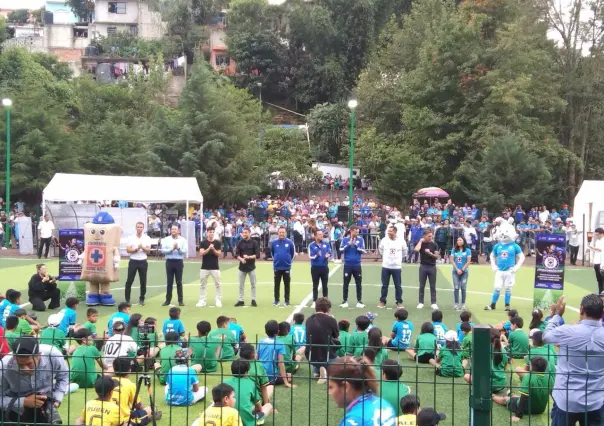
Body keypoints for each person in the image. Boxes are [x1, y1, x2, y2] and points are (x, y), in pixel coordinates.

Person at [543, 294, 604, 424]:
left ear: (581, 309)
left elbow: (546, 336)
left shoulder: (568, 331)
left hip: (566, 400)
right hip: (596, 401)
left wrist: (557, 315)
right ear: (602, 312)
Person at [0, 337, 69, 425]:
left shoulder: (53, 356)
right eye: (20, 364)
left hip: (43, 405)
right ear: (14, 358)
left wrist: (57, 398)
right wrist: (24, 401)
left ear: (39, 356)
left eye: (29, 364)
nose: (25, 369)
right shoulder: (4, 366)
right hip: (14, 407)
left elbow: (63, 376)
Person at [327, 356, 396, 426]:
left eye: (331, 387)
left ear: (345, 387)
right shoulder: (384, 404)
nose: (329, 393)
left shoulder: (353, 421)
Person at [493, 356, 553, 421]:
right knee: (520, 397)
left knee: (505, 399)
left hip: (526, 409)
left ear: (531, 367)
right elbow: (553, 394)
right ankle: (511, 395)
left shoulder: (528, 377)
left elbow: (524, 397)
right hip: (541, 410)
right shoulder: (549, 377)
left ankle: (491, 396)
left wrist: (518, 415)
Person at [223, 359, 273, 426]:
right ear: (246, 372)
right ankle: (257, 421)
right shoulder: (250, 383)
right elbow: (259, 408)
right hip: (246, 422)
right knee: (268, 406)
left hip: (227, 419)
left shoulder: (224, 382)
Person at [305, 297, 339, 384]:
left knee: (317, 352)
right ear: (328, 309)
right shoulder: (331, 320)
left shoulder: (308, 320)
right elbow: (336, 337)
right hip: (327, 355)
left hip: (310, 355)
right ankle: (324, 368)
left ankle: (318, 370)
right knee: (342, 363)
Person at [378, 225, 408, 309]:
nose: (388, 232)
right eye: (388, 231)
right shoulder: (384, 240)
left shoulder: (401, 241)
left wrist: (397, 259)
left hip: (396, 267)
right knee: (384, 285)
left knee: (398, 285)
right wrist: (386, 257)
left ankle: (399, 301)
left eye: (390, 231)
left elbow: (405, 251)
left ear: (395, 232)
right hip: (386, 266)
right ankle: (382, 301)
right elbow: (380, 249)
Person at [124, 221, 151, 306]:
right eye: (138, 227)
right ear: (136, 228)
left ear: (143, 228)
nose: (139, 228)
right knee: (129, 280)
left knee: (143, 281)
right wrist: (135, 249)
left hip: (143, 261)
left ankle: (142, 298)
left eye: (141, 227)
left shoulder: (147, 238)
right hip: (133, 261)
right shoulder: (131, 238)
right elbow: (128, 250)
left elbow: (148, 251)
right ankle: (127, 299)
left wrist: (142, 247)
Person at [340, 225, 366, 309]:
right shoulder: (345, 240)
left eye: (358, 231)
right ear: (351, 231)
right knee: (345, 284)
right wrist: (348, 244)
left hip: (357, 265)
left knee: (358, 284)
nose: (357, 233)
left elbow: (363, 251)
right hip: (347, 265)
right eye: (356, 231)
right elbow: (340, 250)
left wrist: (356, 246)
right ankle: (345, 301)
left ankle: (359, 301)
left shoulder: (361, 239)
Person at [161, 224, 188, 307]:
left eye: (175, 229)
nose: (173, 231)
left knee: (179, 281)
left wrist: (178, 248)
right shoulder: (166, 239)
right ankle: (168, 300)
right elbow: (163, 250)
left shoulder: (183, 240)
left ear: (178, 230)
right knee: (169, 282)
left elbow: (185, 251)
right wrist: (171, 249)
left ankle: (180, 300)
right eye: (172, 229)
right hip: (169, 261)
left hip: (179, 262)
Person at [235, 227, 260, 307]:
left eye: (246, 232)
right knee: (241, 285)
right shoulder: (239, 242)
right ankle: (241, 300)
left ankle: (253, 299)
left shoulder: (254, 242)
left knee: (253, 284)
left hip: (251, 267)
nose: (244, 234)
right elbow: (237, 254)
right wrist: (241, 259)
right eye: (243, 233)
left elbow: (257, 255)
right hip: (242, 267)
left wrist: (249, 257)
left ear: (249, 233)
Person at [198, 227, 223, 308]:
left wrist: (213, 249)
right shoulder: (203, 242)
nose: (211, 233)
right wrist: (209, 248)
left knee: (218, 284)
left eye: (213, 232)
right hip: (204, 267)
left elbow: (218, 254)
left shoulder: (217, 243)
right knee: (202, 284)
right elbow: (201, 253)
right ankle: (202, 300)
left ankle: (218, 300)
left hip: (215, 267)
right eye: (210, 232)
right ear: (207, 233)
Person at [271, 227, 295, 307]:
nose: (281, 234)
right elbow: (272, 253)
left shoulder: (290, 242)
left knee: (287, 285)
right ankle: (276, 300)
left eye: (283, 232)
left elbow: (293, 254)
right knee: (276, 285)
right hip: (277, 267)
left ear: (285, 233)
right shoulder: (274, 243)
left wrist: (288, 262)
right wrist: (276, 261)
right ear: (278, 233)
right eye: (280, 232)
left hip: (287, 267)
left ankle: (287, 301)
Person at [415, 230, 439, 309]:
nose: (430, 237)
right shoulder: (421, 244)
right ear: (424, 236)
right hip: (423, 266)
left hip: (432, 266)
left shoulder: (434, 244)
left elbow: (436, 256)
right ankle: (421, 302)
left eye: (431, 236)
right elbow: (416, 250)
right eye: (429, 236)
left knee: (433, 285)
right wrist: (420, 241)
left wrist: (430, 253)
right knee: (422, 285)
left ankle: (433, 302)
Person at [309, 229, 331, 307]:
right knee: (315, 285)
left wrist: (327, 255)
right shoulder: (311, 245)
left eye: (322, 234)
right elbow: (311, 256)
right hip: (315, 267)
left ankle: (326, 301)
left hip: (324, 267)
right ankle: (315, 301)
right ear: (315, 236)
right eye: (319, 234)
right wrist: (317, 255)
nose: (321, 236)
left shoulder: (326, 244)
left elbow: (329, 252)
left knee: (325, 285)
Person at [450, 237, 471, 311]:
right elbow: (452, 260)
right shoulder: (454, 250)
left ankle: (463, 304)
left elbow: (468, 261)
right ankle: (456, 303)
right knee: (456, 287)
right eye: (458, 240)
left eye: (460, 240)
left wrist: (462, 269)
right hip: (455, 271)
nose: (458, 241)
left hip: (464, 272)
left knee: (463, 287)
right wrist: (457, 269)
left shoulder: (467, 250)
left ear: (463, 241)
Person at [589, 227, 604, 294]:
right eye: (596, 234)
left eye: (597, 234)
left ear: (602, 234)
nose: (596, 236)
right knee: (599, 279)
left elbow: (601, 250)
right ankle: (600, 293)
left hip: (602, 263)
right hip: (597, 262)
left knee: (602, 279)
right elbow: (597, 250)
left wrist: (602, 266)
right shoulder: (598, 241)